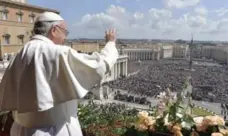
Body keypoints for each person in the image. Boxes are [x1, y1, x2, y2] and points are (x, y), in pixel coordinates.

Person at [0, 12, 118, 136]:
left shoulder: (20, 54)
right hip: (54, 131)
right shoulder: (57, 52)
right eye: (65, 32)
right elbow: (99, 65)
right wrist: (110, 43)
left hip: (21, 131)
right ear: (54, 30)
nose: (65, 38)